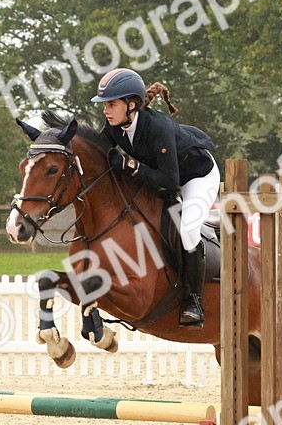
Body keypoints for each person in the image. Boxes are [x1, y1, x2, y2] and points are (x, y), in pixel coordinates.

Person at [93, 68, 219, 327]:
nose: (106, 110)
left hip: (196, 176)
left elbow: (171, 181)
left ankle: (194, 301)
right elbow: (98, 151)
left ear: (131, 105)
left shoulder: (157, 127)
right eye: (105, 105)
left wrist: (132, 167)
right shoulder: (114, 126)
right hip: (162, 175)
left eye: (111, 104)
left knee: (188, 231)